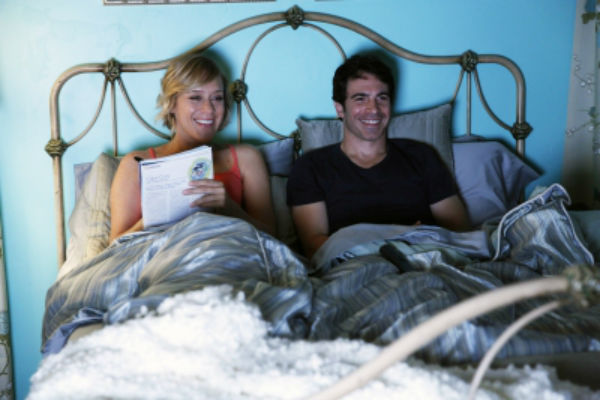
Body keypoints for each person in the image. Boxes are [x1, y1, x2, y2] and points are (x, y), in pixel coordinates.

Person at [287, 54, 470, 258]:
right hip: (354, 268)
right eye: (360, 99)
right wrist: (400, 236)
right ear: (340, 109)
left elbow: (459, 232)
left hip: (426, 263)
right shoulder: (311, 167)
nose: (373, 109)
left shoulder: (421, 156)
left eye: (381, 98)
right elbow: (315, 247)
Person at [109, 52, 275, 242]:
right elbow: (115, 248)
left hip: (230, 257)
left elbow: (274, 241)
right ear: (172, 104)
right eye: (196, 97)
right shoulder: (136, 164)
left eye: (217, 98)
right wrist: (153, 218)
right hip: (164, 259)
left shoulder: (246, 158)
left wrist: (230, 208)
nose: (209, 109)